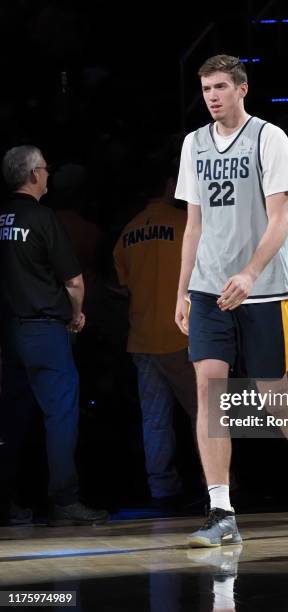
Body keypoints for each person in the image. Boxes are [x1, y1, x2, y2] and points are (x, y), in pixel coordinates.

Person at [175, 54, 288, 547]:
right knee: (209, 390)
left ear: (242, 89)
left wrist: (249, 272)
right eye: (206, 89)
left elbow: (280, 219)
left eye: (221, 87)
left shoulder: (269, 137)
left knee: (273, 394)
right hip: (209, 287)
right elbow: (194, 224)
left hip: (264, 286)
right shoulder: (193, 143)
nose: (212, 96)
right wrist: (182, 288)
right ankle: (221, 510)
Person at [0, 145, 108, 526]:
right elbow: (74, 280)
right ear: (33, 175)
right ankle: (64, 499)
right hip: (45, 330)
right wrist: (77, 314)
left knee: (11, 418)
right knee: (60, 416)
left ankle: (8, 503)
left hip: (9, 335)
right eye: (45, 169)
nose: (48, 175)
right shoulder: (43, 218)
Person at [113, 150, 198, 510]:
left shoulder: (128, 232)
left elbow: (124, 283)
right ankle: (219, 484)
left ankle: (161, 488)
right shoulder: (185, 225)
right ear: (169, 186)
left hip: (142, 340)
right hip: (180, 338)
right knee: (204, 415)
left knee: (155, 419)